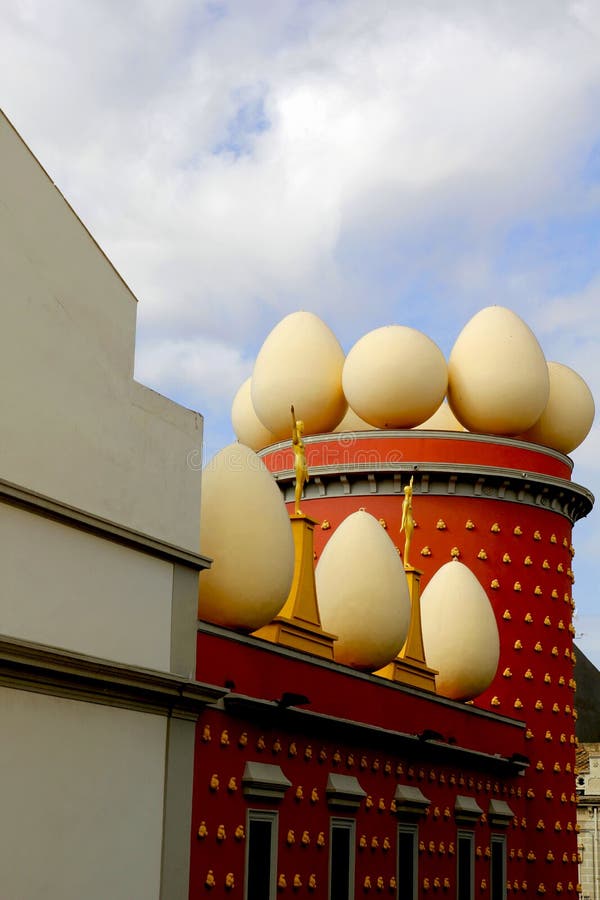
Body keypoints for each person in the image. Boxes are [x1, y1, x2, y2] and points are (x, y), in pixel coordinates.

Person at [291, 404, 308, 515]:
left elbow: (304, 455)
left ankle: (298, 507)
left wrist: (307, 469)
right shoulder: (296, 439)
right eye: (301, 425)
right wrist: (293, 414)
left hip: (302, 462)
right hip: (298, 461)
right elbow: (292, 427)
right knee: (298, 484)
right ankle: (296, 508)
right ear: (298, 427)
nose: (303, 426)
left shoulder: (301, 440)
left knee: (301, 485)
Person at [400, 475, 414, 568]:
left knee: (409, 540)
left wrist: (411, 483)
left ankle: (406, 561)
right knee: (407, 541)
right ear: (407, 491)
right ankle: (405, 562)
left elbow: (411, 496)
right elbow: (403, 515)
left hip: (410, 522)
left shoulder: (408, 501)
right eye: (410, 490)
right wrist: (402, 525)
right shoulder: (405, 502)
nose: (411, 491)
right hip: (407, 522)